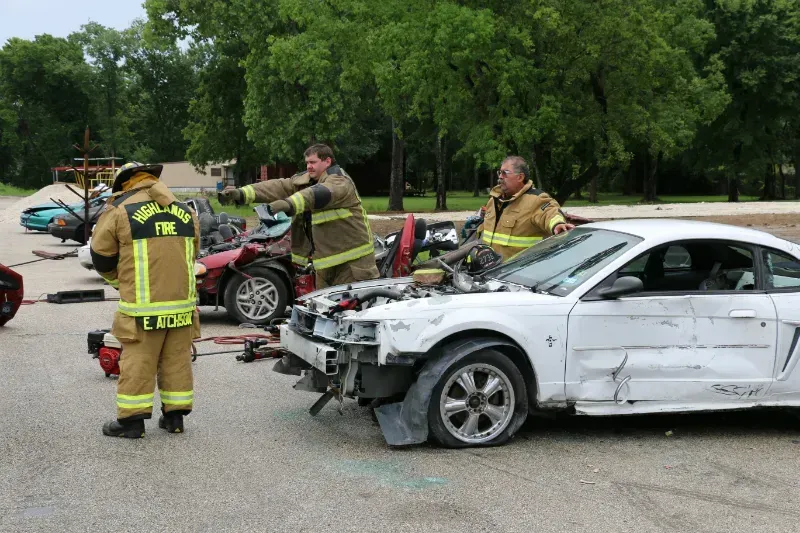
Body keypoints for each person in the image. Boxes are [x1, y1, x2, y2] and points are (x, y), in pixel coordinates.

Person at [91, 161, 201, 438]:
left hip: (142, 309)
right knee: (176, 360)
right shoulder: (184, 210)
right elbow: (193, 252)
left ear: (125, 182)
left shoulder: (120, 209)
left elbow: (101, 255)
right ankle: (175, 418)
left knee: (139, 361)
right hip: (181, 306)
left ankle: (131, 423)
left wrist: (119, 282)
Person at [219, 144, 379, 288]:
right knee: (326, 312)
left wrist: (287, 204)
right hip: (325, 263)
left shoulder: (339, 181)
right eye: (307, 162)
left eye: (313, 162)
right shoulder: (306, 181)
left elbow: (315, 195)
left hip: (353, 263)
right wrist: (240, 193)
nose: (309, 166)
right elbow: (276, 187)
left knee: (352, 313)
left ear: (327, 161)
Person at [477, 156, 574, 261]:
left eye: (505, 173)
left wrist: (557, 224)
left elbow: (549, 212)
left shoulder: (535, 200)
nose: (500, 177)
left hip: (517, 273)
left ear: (520, 177)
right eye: (499, 173)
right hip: (487, 272)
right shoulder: (494, 201)